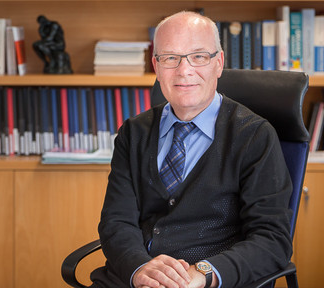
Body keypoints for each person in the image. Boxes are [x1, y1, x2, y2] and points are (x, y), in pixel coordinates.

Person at [90, 11, 293, 288]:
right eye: (171, 58)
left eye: (198, 56)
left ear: (218, 63)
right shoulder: (133, 133)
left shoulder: (254, 136)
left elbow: (272, 241)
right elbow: (116, 221)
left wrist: (202, 274)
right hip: (132, 280)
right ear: (156, 67)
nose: (184, 71)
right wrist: (139, 267)